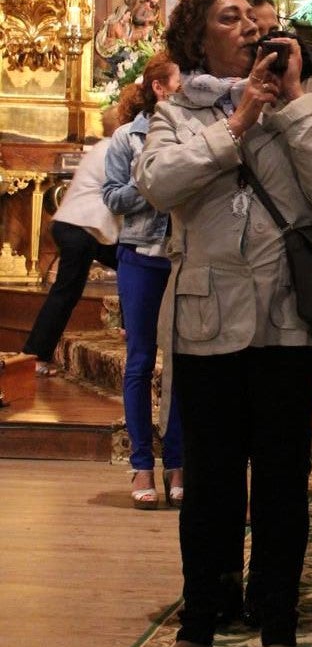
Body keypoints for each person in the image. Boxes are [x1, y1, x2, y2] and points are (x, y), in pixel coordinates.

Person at [133, 0, 312, 647]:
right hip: (206, 325)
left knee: (283, 490)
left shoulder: (304, 98)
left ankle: (278, 635)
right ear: (199, 37)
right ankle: (198, 628)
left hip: (285, 323)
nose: (248, 29)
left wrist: (292, 103)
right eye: (228, 19)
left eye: (252, 18)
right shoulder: (176, 113)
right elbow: (158, 184)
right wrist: (237, 123)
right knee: (209, 488)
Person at [102, 54, 183, 509]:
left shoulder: (190, 134)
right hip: (139, 257)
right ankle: (140, 464)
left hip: (180, 259)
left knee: (179, 367)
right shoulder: (125, 138)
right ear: (158, 89)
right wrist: (152, 182)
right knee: (138, 363)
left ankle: (177, 462)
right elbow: (113, 196)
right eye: (178, 83)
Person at [23, 107, 121, 375]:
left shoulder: (102, 146)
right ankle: (34, 356)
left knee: (129, 264)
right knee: (65, 293)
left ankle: (130, 328)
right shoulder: (113, 149)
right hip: (82, 227)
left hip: (80, 226)